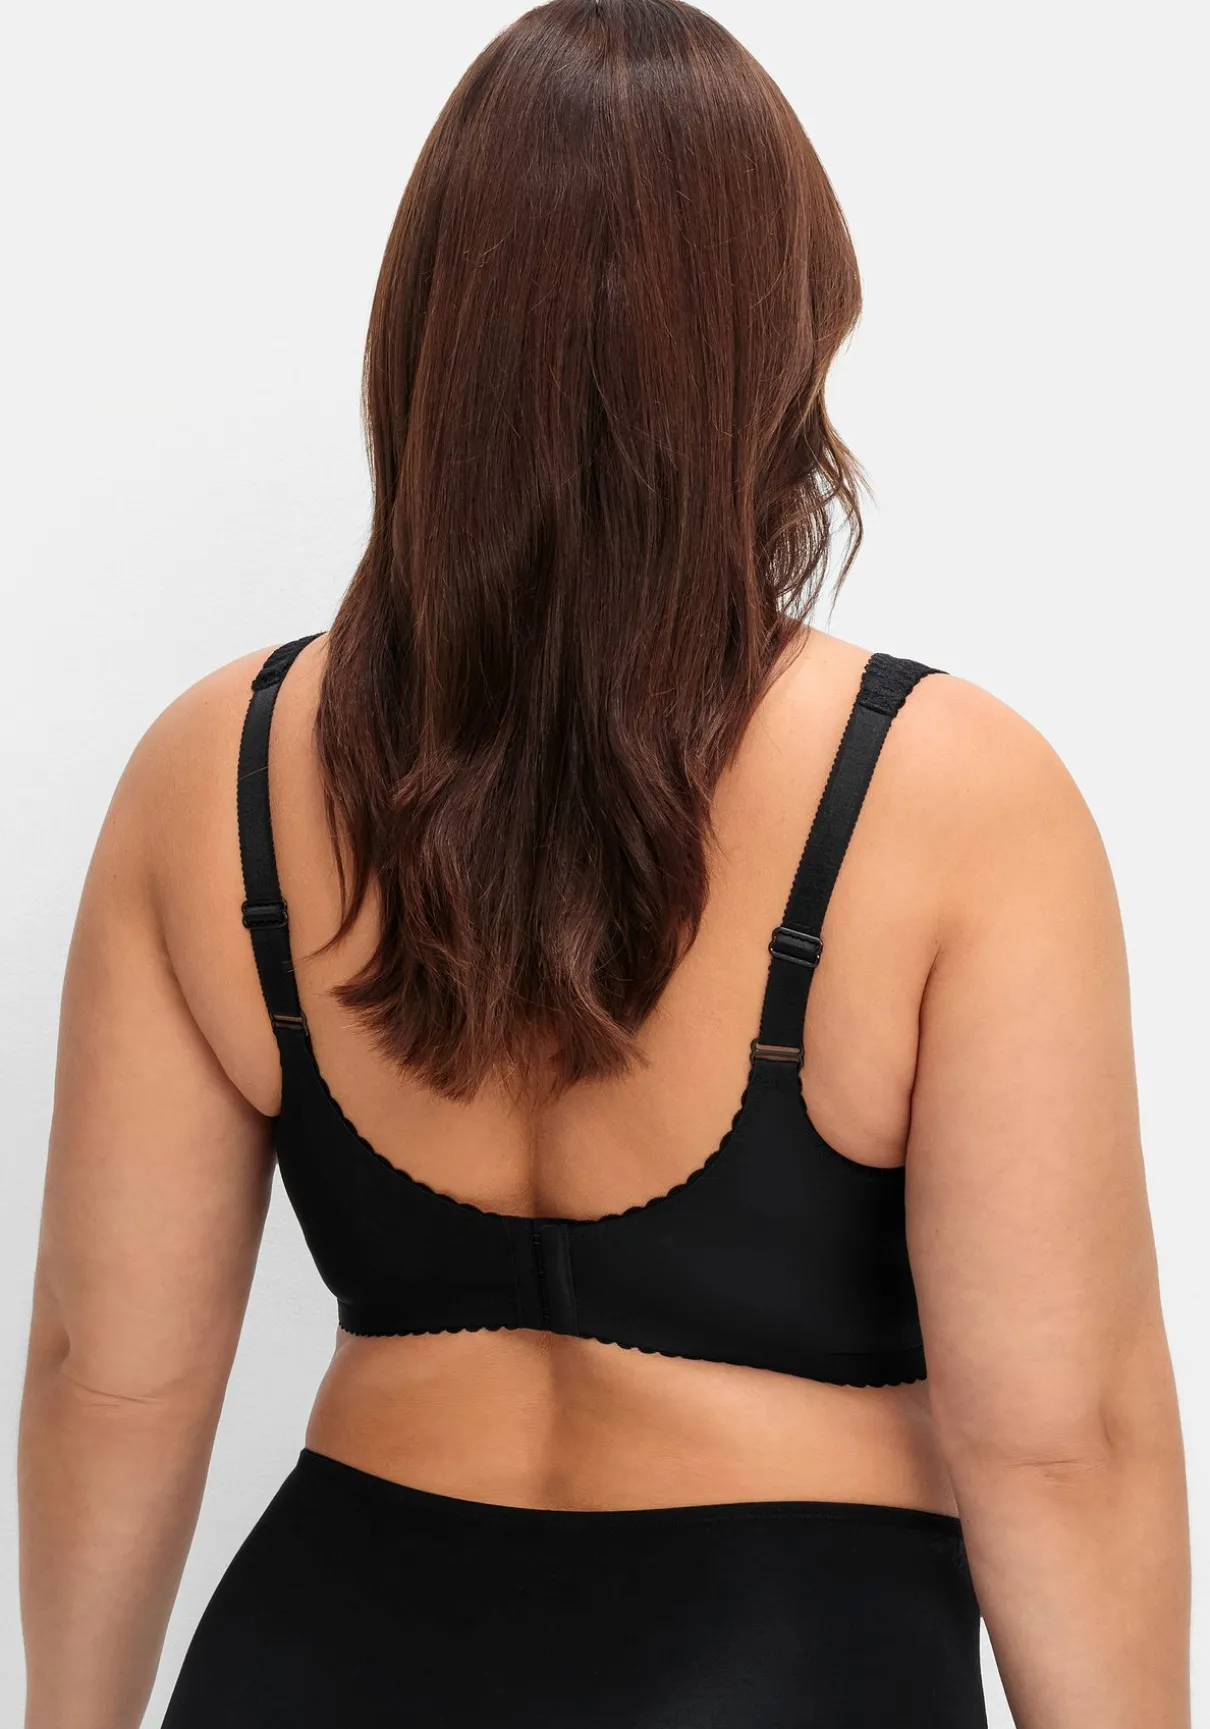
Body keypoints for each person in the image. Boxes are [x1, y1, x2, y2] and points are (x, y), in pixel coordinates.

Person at [17, 2, 1190, 1725]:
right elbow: (1061, 1440)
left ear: (429, 331)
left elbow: (105, 1381)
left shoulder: (218, 768)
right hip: (787, 1664)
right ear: (781, 331)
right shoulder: (948, 792)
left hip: (321, 1651)